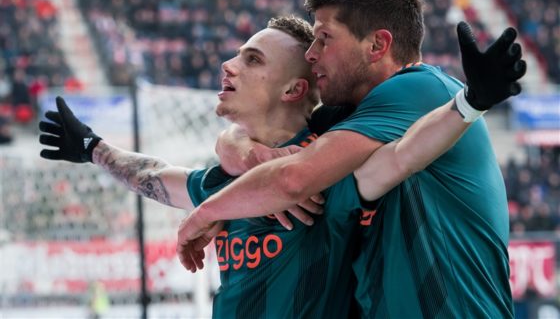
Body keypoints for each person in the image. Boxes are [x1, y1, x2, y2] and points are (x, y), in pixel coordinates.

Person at [176, 0, 526, 318]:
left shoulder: (420, 90)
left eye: (325, 38)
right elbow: (246, 136)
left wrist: (207, 211)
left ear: (377, 45)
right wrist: (246, 150)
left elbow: (293, 179)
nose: (312, 55)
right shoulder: (348, 116)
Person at [39, 16, 363, 318]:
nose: (228, 65)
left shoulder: (329, 161)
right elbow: (153, 176)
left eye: (252, 59)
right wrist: (93, 148)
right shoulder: (229, 173)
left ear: (293, 90)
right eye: (238, 55)